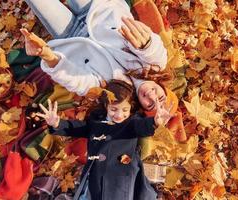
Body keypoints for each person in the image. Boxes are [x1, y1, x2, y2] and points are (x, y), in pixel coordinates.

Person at [22, 0, 170, 112]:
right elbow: (155, 50)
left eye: (150, 105)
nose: (152, 96)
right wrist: (146, 45)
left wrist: (48, 57)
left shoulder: (115, 96)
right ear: (163, 88)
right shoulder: (156, 65)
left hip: (70, 34)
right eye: (161, 97)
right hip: (98, 8)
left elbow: (79, 82)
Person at [36, 80, 172, 200]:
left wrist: (155, 122)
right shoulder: (96, 121)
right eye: (113, 109)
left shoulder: (131, 123)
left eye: (125, 110)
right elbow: (76, 128)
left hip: (119, 180)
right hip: (95, 178)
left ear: (130, 108)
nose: (119, 115)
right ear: (106, 106)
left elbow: (143, 127)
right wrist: (57, 123)